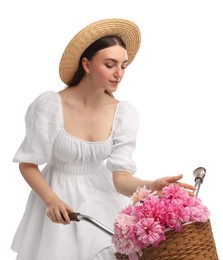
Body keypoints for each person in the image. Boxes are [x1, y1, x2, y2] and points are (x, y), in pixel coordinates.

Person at [11, 18, 195, 260]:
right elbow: (28, 163)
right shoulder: (49, 105)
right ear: (86, 64)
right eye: (110, 65)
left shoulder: (123, 113)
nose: (119, 73)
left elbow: (120, 179)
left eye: (124, 66)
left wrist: (152, 186)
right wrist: (53, 201)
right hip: (56, 198)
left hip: (102, 196)